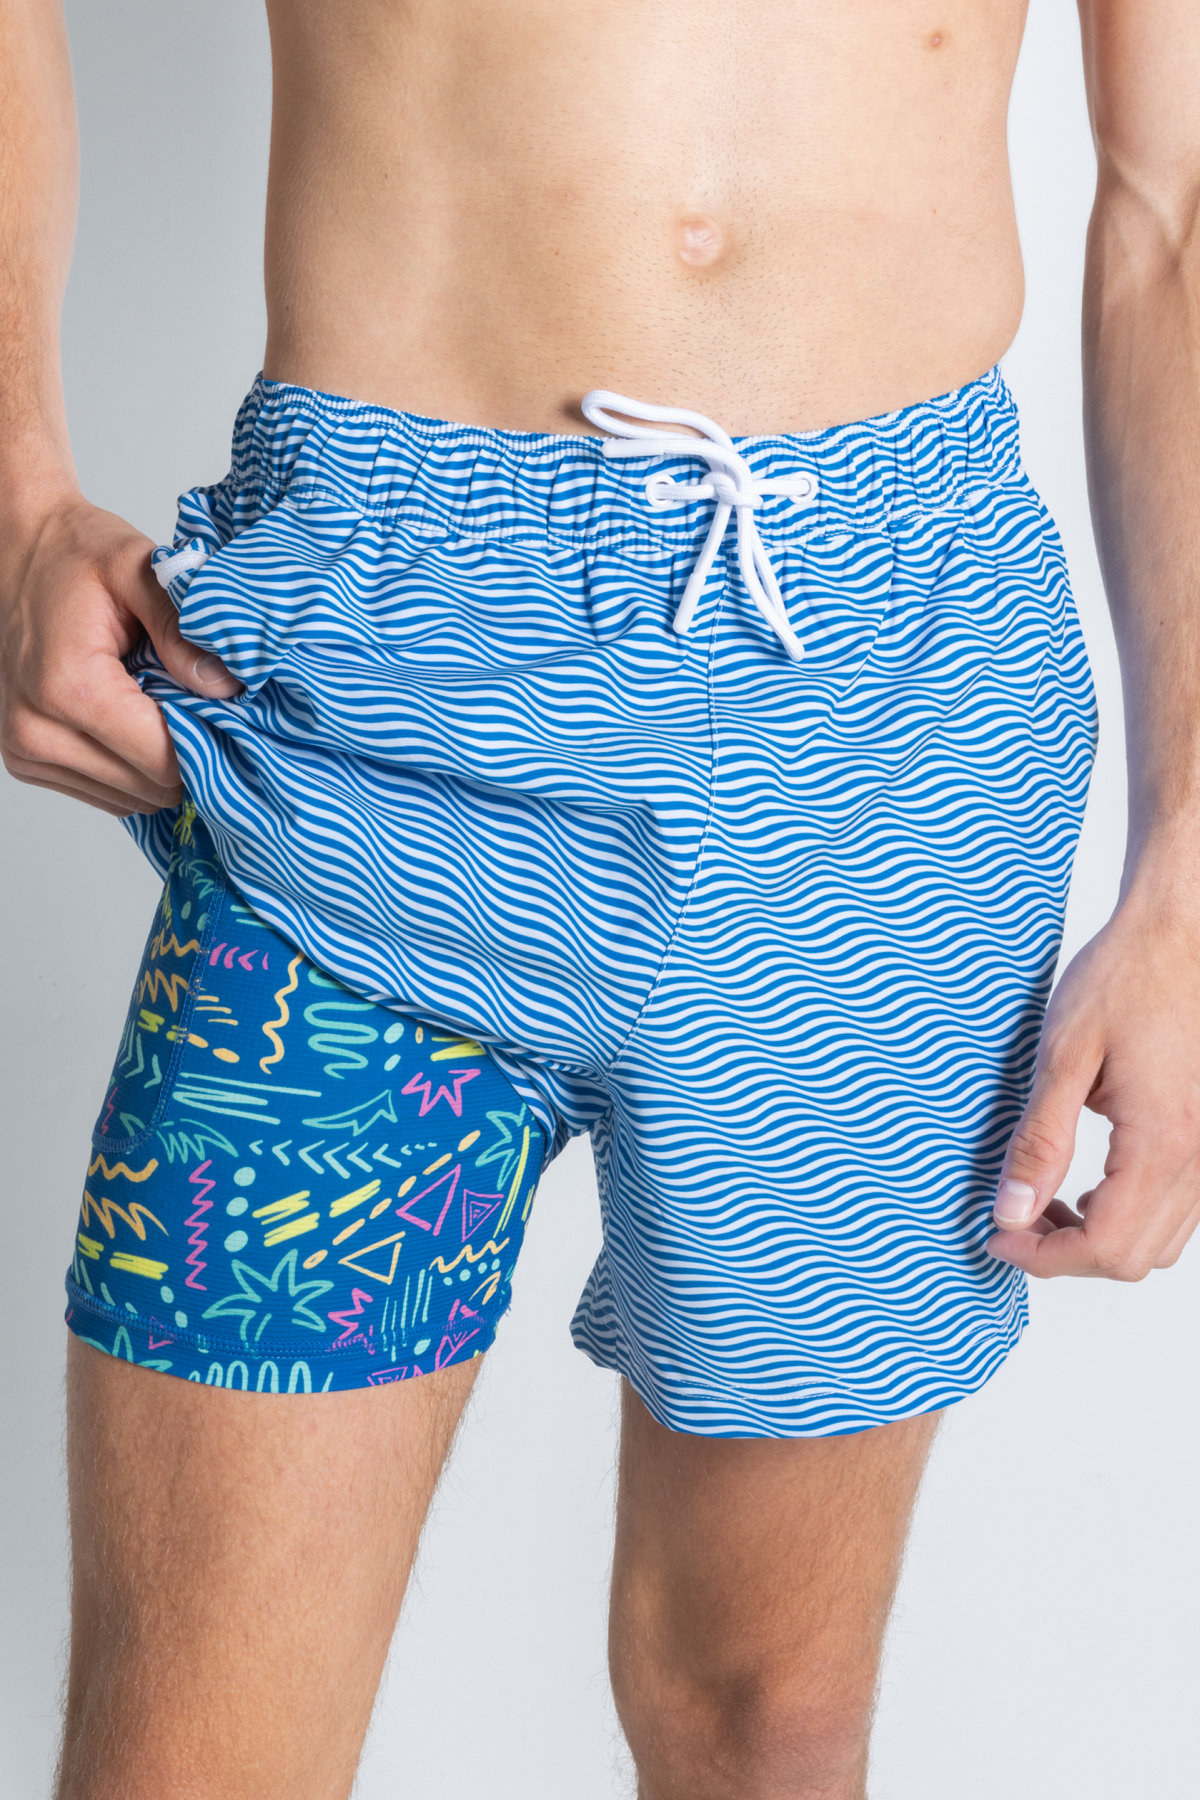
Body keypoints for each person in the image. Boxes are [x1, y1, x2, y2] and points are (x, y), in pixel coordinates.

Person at [2, 0, 1199, 1794]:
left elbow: (1176, 199)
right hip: (359, 710)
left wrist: (1188, 872)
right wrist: (16, 487)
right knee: (191, 1760)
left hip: (886, 734)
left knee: (765, 1719)